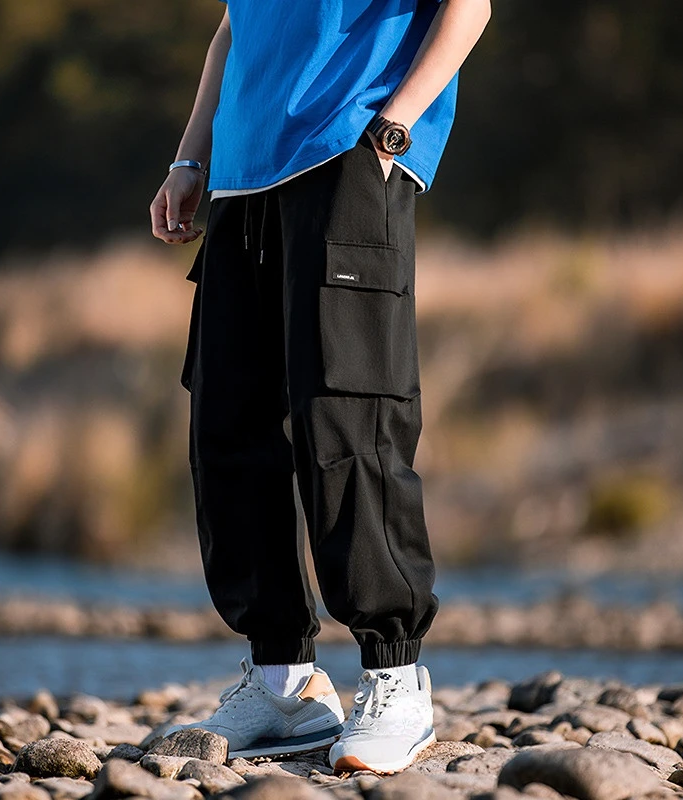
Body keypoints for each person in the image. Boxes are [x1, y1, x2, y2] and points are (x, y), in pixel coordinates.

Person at [149, 0, 491, 775]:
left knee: (349, 420)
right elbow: (233, 28)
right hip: (241, 178)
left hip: (348, 153)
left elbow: (468, 7)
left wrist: (393, 128)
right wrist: (190, 160)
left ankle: (395, 678)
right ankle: (283, 683)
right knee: (228, 426)